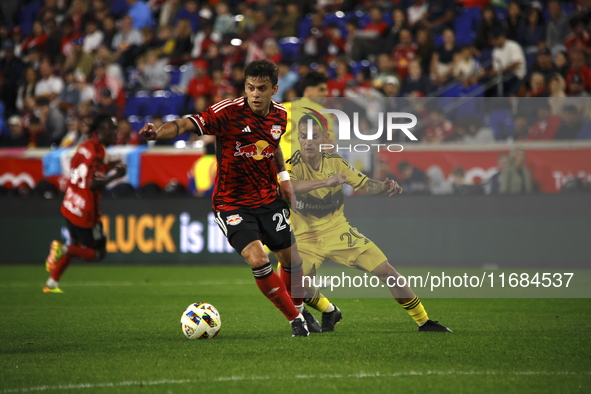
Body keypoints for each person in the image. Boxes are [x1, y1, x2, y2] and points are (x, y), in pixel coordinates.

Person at [139, 59, 313, 337]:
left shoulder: (279, 116)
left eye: (262, 88)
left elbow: (274, 147)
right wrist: (158, 133)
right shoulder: (227, 112)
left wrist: (285, 180)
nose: (255, 94)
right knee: (258, 260)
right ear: (245, 87)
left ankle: (302, 312)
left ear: (274, 89)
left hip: (267, 198)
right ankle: (296, 320)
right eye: (250, 87)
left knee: (292, 259)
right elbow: (186, 124)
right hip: (232, 202)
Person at [286, 115, 451, 332]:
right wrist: (326, 182)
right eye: (303, 136)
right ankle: (329, 310)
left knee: (388, 272)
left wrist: (384, 186)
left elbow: (366, 184)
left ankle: (424, 321)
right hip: (305, 239)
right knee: (293, 286)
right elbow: (290, 186)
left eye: (314, 136)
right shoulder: (291, 165)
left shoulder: (337, 163)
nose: (308, 141)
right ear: (298, 137)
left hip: (338, 232)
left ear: (325, 138)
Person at [44, 115, 127, 293]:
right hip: (86, 210)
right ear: (101, 130)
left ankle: (51, 283)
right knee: (98, 252)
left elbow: (85, 169)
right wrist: (115, 176)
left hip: (70, 203)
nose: (116, 133)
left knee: (74, 244)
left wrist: (110, 165)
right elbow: (92, 183)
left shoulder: (85, 146)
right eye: (112, 129)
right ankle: (61, 248)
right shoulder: (100, 151)